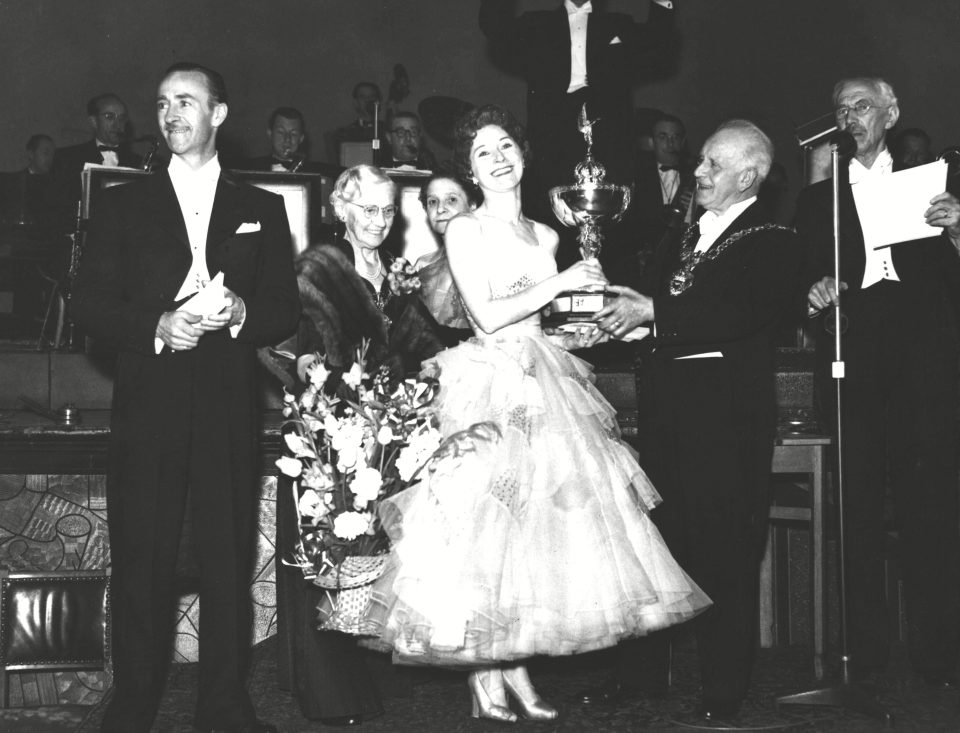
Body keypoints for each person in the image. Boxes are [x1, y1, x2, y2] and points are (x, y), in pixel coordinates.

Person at [363, 104, 710, 723]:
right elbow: (491, 315)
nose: (497, 159)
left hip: (547, 378)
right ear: (469, 171)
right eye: (482, 154)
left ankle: (513, 661)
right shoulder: (465, 229)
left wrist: (592, 324)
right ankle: (485, 670)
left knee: (540, 530)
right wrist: (562, 282)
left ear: (523, 155)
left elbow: (544, 322)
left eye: (505, 147)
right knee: (485, 527)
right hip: (490, 382)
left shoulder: (547, 234)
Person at [72, 62, 300, 733]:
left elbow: (282, 311)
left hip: (228, 405)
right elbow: (87, 304)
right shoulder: (122, 202)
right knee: (143, 558)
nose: (172, 114)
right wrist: (157, 325)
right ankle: (134, 703)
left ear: (219, 113)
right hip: (149, 404)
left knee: (228, 559)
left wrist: (237, 313)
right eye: (164, 103)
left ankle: (225, 708)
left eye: (188, 101)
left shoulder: (263, 208)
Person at [584, 119, 802, 722]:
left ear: (748, 175)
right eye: (701, 162)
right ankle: (641, 679)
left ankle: (722, 691)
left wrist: (653, 310)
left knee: (723, 556)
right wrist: (614, 315)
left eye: (710, 163)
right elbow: (654, 303)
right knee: (653, 545)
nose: (697, 172)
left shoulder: (775, 240)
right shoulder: (682, 232)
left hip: (725, 426)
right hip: (666, 414)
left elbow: (735, 311)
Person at [797, 77, 960, 687]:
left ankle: (937, 657)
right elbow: (802, 275)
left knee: (930, 506)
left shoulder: (937, 180)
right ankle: (861, 659)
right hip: (854, 351)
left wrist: (957, 228)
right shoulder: (821, 198)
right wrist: (812, 293)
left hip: (924, 357)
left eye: (861, 106)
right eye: (841, 108)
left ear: (890, 113)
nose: (850, 116)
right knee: (856, 508)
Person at [274, 164, 443, 728]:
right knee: (327, 562)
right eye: (366, 209)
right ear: (341, 210)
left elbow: (420, 347)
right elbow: (305, 350)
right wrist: (344, 401)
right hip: (331, 434)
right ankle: (324, 691)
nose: (377, 220)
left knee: (373, 563)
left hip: (389, 435)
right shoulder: (317, 268)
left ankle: (370, 681)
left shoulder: (395, 272)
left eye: (388, 210)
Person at [479, 0, 679, 269]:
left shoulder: (617, 24)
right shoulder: (537, 24)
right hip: (553, 133)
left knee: (610, 228)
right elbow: (495, 27)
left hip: (608, 133)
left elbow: (658, 36)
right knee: (552, 216)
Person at [413, 171, 479, 345]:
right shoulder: (422, 265)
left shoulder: (489, 259)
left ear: (472, 205)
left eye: (451, 199)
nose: (440, 209)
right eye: (432, 202)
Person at [626, 112, 694, 279]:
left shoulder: (696, 175)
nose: (670, 143)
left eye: (676, 137)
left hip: (683, 260)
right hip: (644, 264)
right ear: (651, 142)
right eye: (663, 137)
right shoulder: (635, 177)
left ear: (683, 141)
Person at [326, 82, 382, 165]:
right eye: (363, 97)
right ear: (355, 102)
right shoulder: (345, 134)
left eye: (372, 96)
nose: (368, 100)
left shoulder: (386, 131)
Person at [242, 107, 313, 172]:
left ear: (301, 138)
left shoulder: (313, 172)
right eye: (280, 132)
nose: (287, 139)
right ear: (270, 134)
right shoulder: (250, 167)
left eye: (293, 134)